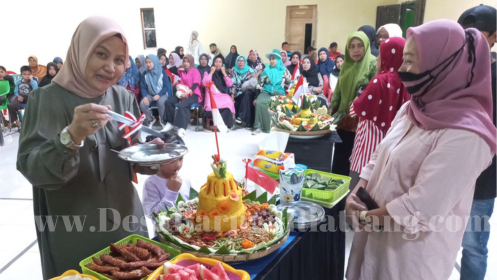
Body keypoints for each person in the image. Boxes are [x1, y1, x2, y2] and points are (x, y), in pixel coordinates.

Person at [345, 19, 496, 280]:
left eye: (411, 60)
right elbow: (379, 156)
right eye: (403, 59)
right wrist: (355, 195)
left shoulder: (467, 134)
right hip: (374, 233)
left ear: (444, 65)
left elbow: (422, 207)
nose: (403, 69)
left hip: (410, 254)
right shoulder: (413, 108)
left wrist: (366, 217)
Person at [16, 16, 164, 279]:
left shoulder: (122, 97)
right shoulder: (46, 100)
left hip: (125, 218)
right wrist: (71, 135)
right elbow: (32, 167)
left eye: (119, 60)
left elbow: (131, 153)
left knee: (136, 271)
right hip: (74, 225)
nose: (110, 67)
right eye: (101, 54)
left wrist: (156, 158)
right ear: (80, 51)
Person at [458, 5, 497, 280]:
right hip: (449, 170)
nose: (469, 41)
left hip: (482, 176)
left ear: (494, 36)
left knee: (473, 245)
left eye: (478, 35)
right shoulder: (453, 70)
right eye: (464, 34)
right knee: (439, 237)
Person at [348, 37, 409, 189]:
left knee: (357, 187)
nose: (377, 58)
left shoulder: (380, 80)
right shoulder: (405, 82)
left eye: (381, 54)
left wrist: (355, 100)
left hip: (368, 143)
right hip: (390, 146)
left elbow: (356, 109)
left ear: (389, 56)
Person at [330, 31, 376, 176]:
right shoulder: (346, 65)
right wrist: (332, 109)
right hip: (343, 120)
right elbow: (338, 90)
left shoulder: (373, 64)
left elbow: (373, 93)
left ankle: (350, 195)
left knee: (355, 163)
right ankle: (337, 195)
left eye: (360, 46)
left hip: (361, 123)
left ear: (367, 46)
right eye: (352, 46)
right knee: (340, 159)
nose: (356, 50)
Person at [142, 145, 191, 221]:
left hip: (187, 230)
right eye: (172, 160)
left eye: (181, 158)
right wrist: (171, 192)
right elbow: (154, 216)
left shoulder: (185, 178)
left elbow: (192, 204)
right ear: (158, 160)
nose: (178, 164)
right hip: (165, 231)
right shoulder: (151, 184)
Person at [252, 49, 292, 135]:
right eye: (270, 59)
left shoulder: (284, 70)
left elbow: (291, 81)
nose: (271, 61)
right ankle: (258, 126)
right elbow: (259, 85)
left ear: (278, 59)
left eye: (273, 59)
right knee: (259, 102)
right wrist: (256, 97)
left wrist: (288, 87)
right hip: (266, 92)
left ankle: (276, 126)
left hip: (279, 93)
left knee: (275, 103)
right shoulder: (266, 70)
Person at [163, 54, 202, 137]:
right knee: (168, 102)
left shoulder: (195, 71)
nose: (186, 63)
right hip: (182, 93)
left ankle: (182, 127)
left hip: (194, 94)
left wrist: (187, 93)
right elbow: (170, 69)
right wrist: (180, 65)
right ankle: (170, 123)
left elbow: (195, 84)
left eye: (188, 61)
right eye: (184, 61)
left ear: (191, 62)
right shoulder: (182, 72)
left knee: (182, 105)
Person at [202, 55, 234, 132]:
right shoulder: (208, 72)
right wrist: (212, 72)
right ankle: (210, 123)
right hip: (211, 96)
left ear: (222, 64)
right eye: (216, 62)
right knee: (211, 105)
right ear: (213, 63)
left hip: (222, 96)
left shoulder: (224, 73)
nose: (218, 64)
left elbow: (230, 84)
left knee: (229, 101)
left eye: (220, 62)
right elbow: (205, 83)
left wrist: (224, 73)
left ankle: (225, 125)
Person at [140, 54, 172, 128]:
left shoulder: (162, 72)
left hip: (162, 93)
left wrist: (159, 95)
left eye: (150, 62)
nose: (148, 64)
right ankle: (150, 119)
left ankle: (163, 120)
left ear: (154, 62)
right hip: (150, 93)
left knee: (160, 102)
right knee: (142, 104)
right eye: (146, 62)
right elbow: (143, 87)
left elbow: (166, 86)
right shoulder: (145, 74)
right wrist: (144, 96)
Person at [231, 55, 259, 127]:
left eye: (242, 61)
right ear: (236, 62)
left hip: (248, 93)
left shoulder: (251, 70)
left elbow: (256, 81)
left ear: (245, 62)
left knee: (247, 94)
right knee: (246, 95)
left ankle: (240, 116)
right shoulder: (233, 70)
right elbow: (232, 84)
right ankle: (248, 122)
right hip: (238, 94)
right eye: (239, 61)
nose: (240, 62)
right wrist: (232, 95)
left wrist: (257, 96)